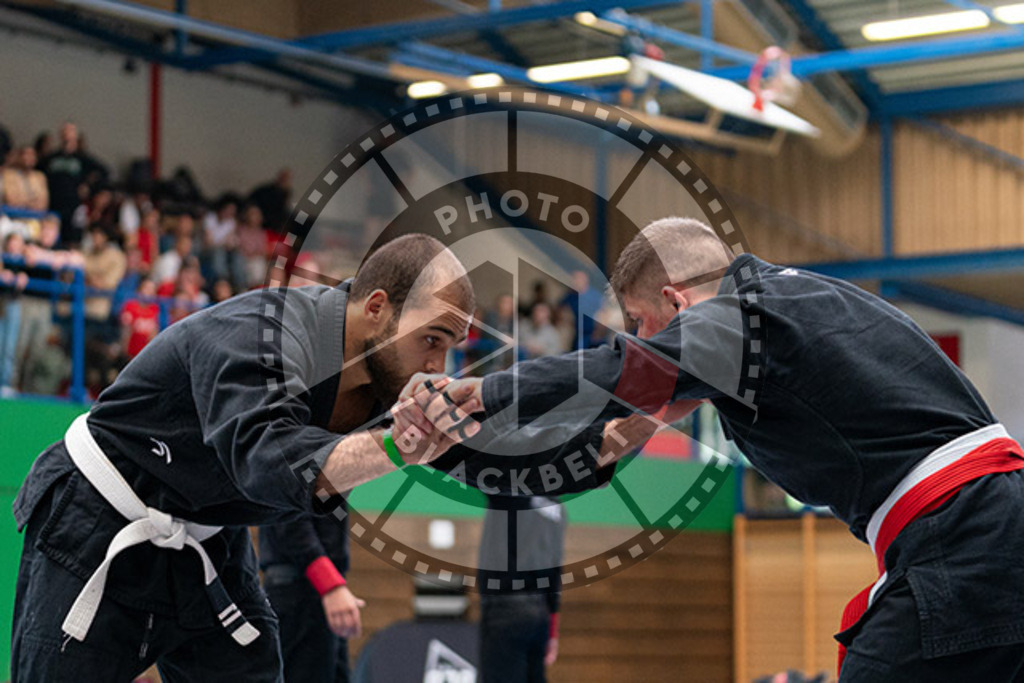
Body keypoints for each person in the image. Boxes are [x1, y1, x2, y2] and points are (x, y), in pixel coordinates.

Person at [422, 216, 1024, 682]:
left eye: (639, 321)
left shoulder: (739, 320)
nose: (638, 340)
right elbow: (604, 447)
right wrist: (454, 456)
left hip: (963, 537)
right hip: (989, 525)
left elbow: (618, 373)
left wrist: (481, 391)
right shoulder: (801, 304)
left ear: (678, 302)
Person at [12, 233, 549, 682]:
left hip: (207, 533)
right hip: (98, 517)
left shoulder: (386, 380)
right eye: (432, 338)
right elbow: (267, 459)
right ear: (378, 308)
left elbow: (476, 452)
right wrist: (393, 447)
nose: (439, 363)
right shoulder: (265, 335)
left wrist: (601, 443)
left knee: (252, 668)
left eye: (450, 346)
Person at [259, 494, 360, 683]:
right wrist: (329, 585)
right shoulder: (294, 466)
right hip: (301, 587)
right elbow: (289, 523)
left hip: (316, 588)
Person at [478, 495, 565, 683]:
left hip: (506, 607)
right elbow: (556, 571)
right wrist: (552, 632)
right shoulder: (558, 508)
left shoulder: (511, 490)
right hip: (540, 614)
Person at [41, 123, 108, 246]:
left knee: (72, 240)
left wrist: (89, 186)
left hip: (74, 205)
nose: (67, 136)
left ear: (75, 136)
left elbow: (104, 172)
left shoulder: (82, 158)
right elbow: (38, 171)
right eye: (65, 132)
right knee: (50, 238)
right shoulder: (52, 158)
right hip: (54, 204)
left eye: (70, 132)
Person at [2, 146, 49, 212]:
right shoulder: (9, 175)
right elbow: (12, 201)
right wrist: (32, 202)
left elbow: (43, 203)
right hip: (14, 216)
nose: (30, 158)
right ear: (19, 157)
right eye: (26, 154)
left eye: (33, 155)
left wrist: (25, 202)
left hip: (37, 215)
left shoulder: (40, 176)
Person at [248, 169, 293, 233]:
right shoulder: (265, 191)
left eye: (287, 179)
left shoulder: (285, 194)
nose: (285, 181)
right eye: (283, 178)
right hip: (265, 223)